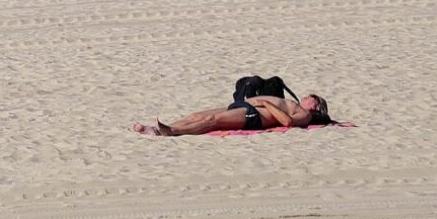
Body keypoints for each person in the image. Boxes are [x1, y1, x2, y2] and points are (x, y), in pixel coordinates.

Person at [133, 94, 330, 136]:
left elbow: (287, 122)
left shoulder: (305, 114)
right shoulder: (296, 104)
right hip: (244, 106)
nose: (306, 96)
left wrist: (267, 103)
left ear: (317, 106)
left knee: (212, 121)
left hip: (254, 115)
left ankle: (172, 131)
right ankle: (158, 128)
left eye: (311, 97)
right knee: (196, 115)